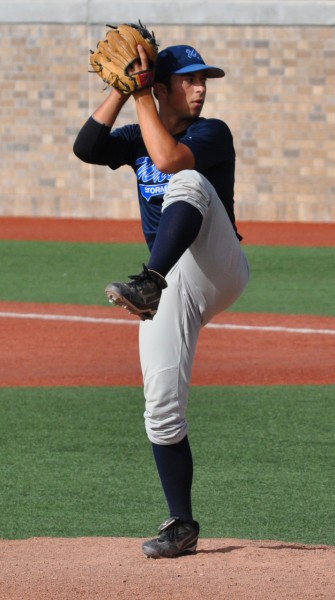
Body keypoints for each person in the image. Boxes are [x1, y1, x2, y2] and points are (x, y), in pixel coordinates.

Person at [73, 42, 250, 559]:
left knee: (187, 179)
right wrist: (119, 90)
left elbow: (169, 160)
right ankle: (182, 524)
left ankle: (148, 279)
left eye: (204, 81)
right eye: (190, 80)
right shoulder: (134, 138)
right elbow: (86, 147)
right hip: (173, 283)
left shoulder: (210, 133)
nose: (200, 89)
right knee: (161, 406)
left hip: (216, 265)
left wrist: (144, 92)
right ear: (166, 84)